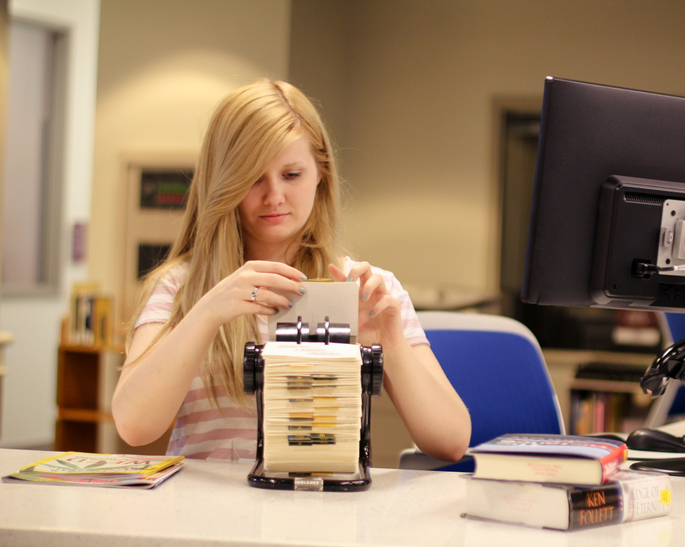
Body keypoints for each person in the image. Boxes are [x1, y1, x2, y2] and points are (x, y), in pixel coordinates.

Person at [111, 79, 471, 463]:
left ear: (322, 174)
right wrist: (209, 310)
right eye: (253, 178)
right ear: (223, 182)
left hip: (324, 511)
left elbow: (450, 441)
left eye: (292, 175)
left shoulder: (365, 290)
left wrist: (392, 345)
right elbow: (134, 427)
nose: (274, 197)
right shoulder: (179, 287)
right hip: (205, 516)